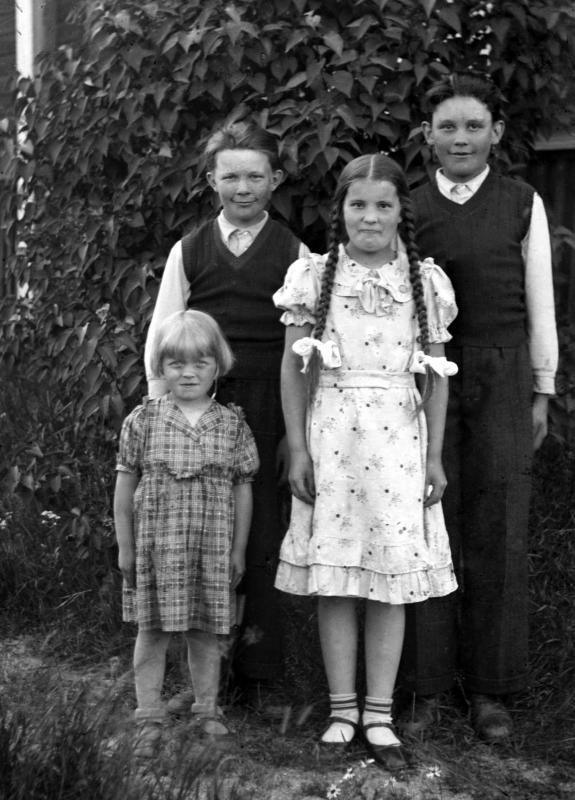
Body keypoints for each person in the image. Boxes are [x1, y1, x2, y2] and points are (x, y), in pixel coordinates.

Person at [272, 153, 459, 770]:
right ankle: (342, 710)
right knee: (335, 580)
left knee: (388, 583)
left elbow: (435, 376)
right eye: (358, 205)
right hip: (333, 440)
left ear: (402, 210)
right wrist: (299, 446)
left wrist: (433, 457)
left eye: (383, 205)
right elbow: (294, 369)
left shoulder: (423, 282)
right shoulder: (314, 276)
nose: (370, 217)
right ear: (342, 211)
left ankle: (379, 714)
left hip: (399, 444)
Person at [400, 73, 558, 743]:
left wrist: (541, 388)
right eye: (447, 127)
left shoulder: (521, 202)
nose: (459, 138)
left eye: (472, 126)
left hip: (501, 374)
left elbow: (540, 299)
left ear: (495, 132)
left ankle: (492, 688)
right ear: (427, 136)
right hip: (423, 378)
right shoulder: (407, 207)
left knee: (498, 527)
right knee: (425, 525)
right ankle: (425, 685)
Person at [144, 120, 309, 700]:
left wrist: (296, 432)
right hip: (199, 403)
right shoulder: (189, 250)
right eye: (231, 176)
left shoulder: (295, 253)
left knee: (258, 533)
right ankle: (200, 677)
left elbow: (306, 352)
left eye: (255, 176)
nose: (243, 188)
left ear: (276, 180)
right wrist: (161, 413)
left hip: (268, 403)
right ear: (212, 180)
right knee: (196, 534)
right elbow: (163, 335)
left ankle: (257, 675)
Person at [114, 310, 259, 757]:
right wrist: (125, 547)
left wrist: (238, 550)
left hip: (210, 547)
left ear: (218, 365)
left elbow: (243, 490)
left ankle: (206, 710)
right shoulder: (143, 420)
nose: (188, 373)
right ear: (160, 366)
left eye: (200, 362)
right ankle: (148, 715)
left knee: (205, 631)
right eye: (176, 363)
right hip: (157, 548)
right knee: (152, 630)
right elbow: (125, 487)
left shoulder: (231, 424)